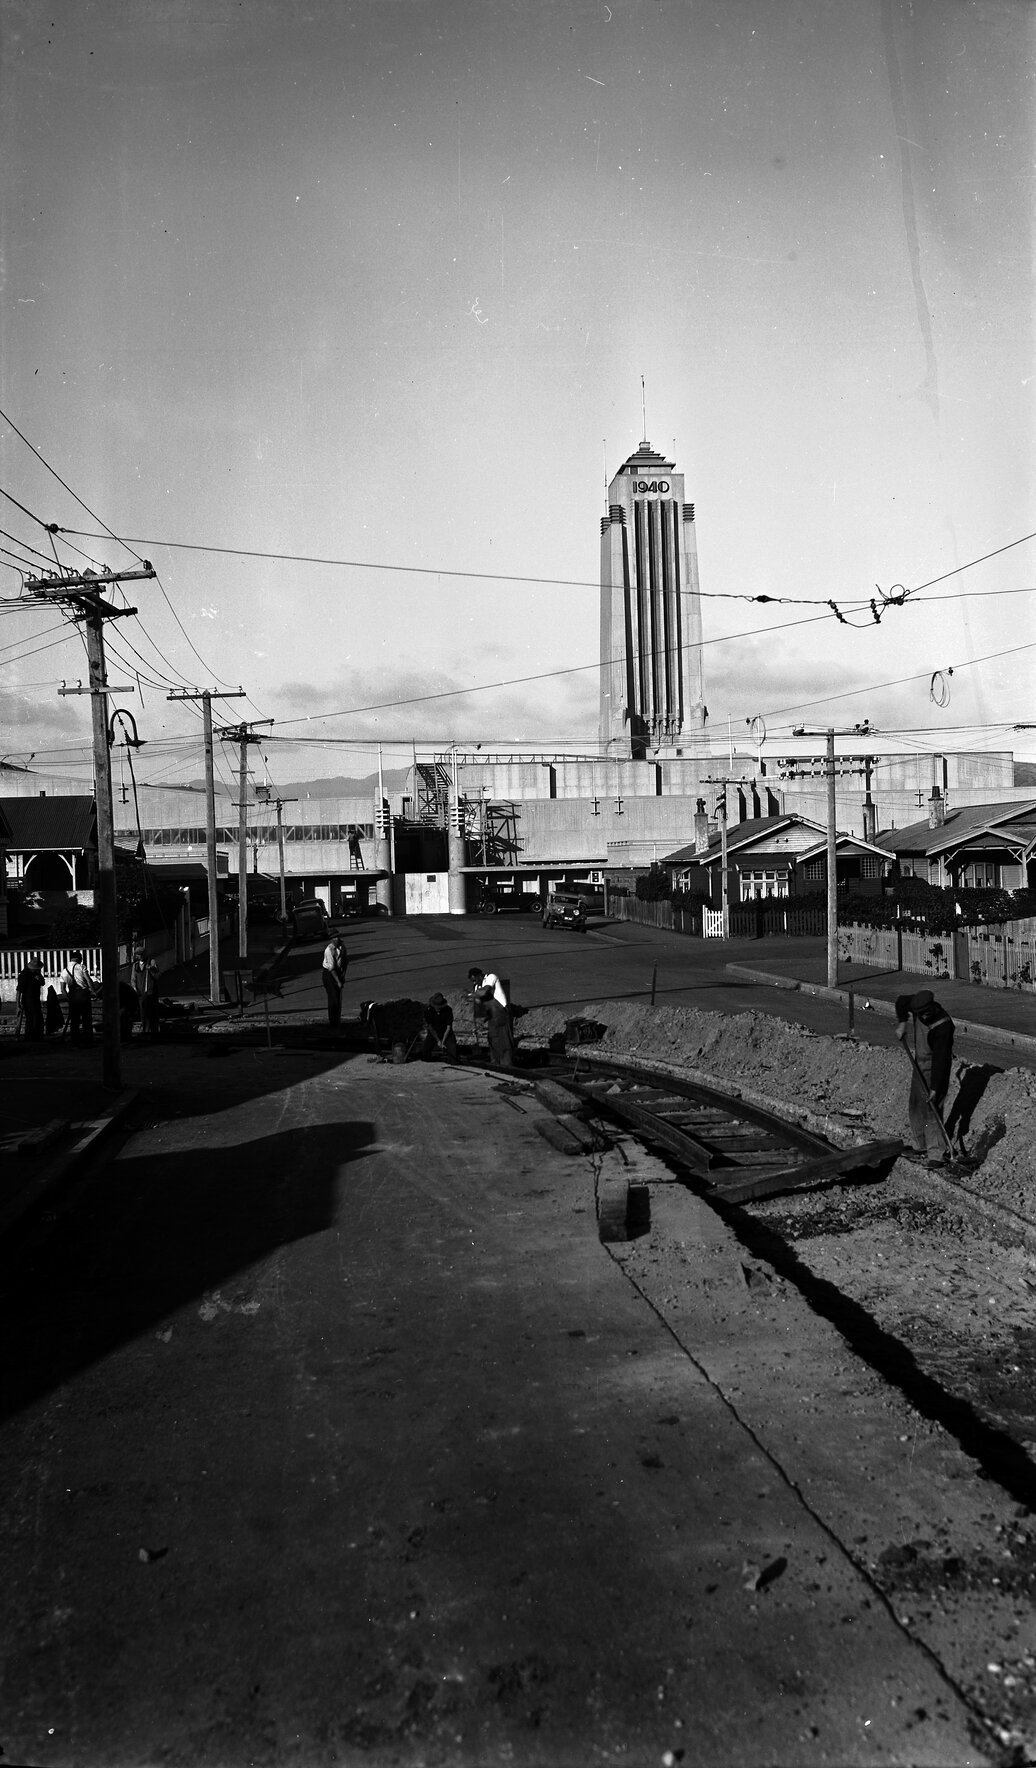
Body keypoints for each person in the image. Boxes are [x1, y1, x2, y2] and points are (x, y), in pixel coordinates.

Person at [894, 988, 955, 1166]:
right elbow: (901, 1001)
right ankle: (920, 1145)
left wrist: (935, 1087)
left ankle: (936, 1153)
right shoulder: (917, 1005)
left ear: (932, 1008)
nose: (923, 1017)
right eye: (919, 1014)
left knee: (932, 1109)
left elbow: (941, 1059)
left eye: (925, 1014)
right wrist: (902, 1023)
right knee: (915, 1105)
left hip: (936, 1068)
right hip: (919, 1065)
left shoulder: (943, 1025)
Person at [467, 965, 515, 1069]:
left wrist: (471, 995)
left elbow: (485, 991)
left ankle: (507, 1066)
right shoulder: (477, 987)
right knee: (493, 1040)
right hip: (491, 1016)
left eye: (475, 980)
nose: (474, 983)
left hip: (501, 1014)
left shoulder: (491, 977)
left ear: (480, 976)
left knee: (504, 1041)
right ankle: (496, 1065)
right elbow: (479, 1002)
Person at [60, 949, 97, 1044]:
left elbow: (63, 989)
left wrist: (69, 999)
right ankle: (88, 1040)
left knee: (74, 1019)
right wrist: (93, 991)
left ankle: (75, 1039)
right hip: (83, 994)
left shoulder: (64, 971)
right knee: (86, 1018)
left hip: (72, 995)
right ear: (78, 958)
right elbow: (88, 980)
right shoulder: (81, 967)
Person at [421, 992, 458, 1062]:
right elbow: (430, 1028)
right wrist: (438, 1040)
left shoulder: (448, 1010)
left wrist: (443, 1042)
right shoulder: (428, 1011)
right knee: (425, 1051)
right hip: (434, 1033)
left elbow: (448, 1028)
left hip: (447, 1033)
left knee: (453, 1053)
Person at [132, 948, 161, 1037]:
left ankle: (154, 1033)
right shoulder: (135, 966)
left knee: (152, 1014)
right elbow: (133, 979)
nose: (140, 956)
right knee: (144, 1015)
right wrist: (135, 989)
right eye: (139, 955)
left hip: (151, 993)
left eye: (142, 954)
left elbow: (157, 976)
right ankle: (145, 1032)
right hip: (141, 994)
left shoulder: (151, 962)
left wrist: (151, 970)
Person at [321, 932, 347, 1029]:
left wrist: (343, 976)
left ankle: (338, 1020)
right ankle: (333, 1022)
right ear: (331, 940)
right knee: (333, 999)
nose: (337, 939)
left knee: (339, 997)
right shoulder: (329, 950)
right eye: (334, 938)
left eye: (338, 937)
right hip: (329, 974)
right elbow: (331, 969)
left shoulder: (342, 947)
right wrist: (338, 982)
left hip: (339, 971)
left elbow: (345, 962)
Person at [16, 956, 45, 1040]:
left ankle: (37, 1037)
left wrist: (39, 979)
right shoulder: (24, 975)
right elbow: (19, 991)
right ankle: (30, 1037)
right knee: (32, 1018)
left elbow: (42, 983)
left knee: (38, 1018)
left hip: (36, 998)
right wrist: (18, 1005)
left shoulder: (37, 973)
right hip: (28, 1000)